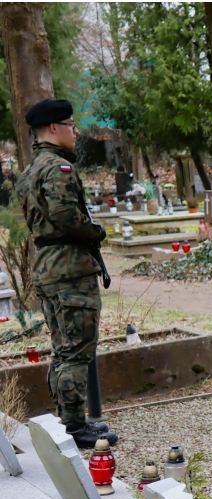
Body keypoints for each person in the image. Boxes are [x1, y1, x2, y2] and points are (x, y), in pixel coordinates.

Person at [16, 99, 117, 449]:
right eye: (71, 125)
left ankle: (67, 420)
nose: (76, 131)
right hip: (70, 268)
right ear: (55, 128)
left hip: (48, 265)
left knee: (62, 347)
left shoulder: (30, 171)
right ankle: (75, 427)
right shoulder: (59, 168)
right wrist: (95, 232)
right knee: (76, 350)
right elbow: (66, 217)